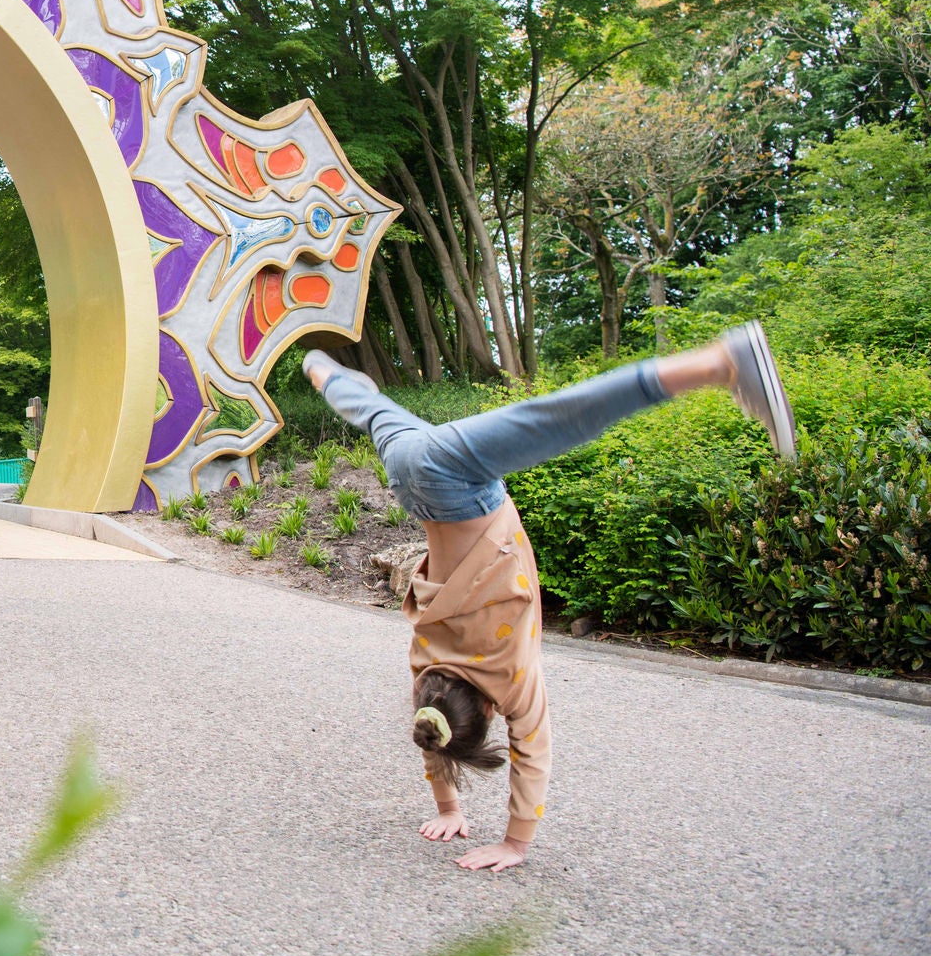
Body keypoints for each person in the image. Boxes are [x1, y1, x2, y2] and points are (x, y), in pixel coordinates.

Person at [300, 321, 797, 871]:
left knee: (559, 419)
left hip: (458, 483)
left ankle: (721, 362)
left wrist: (515, 844)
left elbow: (529, 756)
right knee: (374, 414)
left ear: (489, 709)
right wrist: (445, 806)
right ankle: (326, 374)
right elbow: (430, 733)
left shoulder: (508, 678)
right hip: (408, 477)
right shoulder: (427, 669)